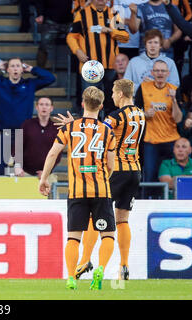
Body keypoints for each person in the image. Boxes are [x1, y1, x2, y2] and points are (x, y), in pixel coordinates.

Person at [55, 79, 145, 281]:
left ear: (121, 94)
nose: (112, 95)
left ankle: (85, 260)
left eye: (114, 92)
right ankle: (124, 265)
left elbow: (97, 132)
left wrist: (73, 126)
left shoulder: (115, 117)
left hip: (116, 171)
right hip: (135, 171)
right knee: (122, 220)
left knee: (94, 217)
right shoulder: (140, 114)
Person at [39, 86, 117, 290]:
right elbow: (111, 165)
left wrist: (44, 179)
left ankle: (71, 277)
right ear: (101, 106)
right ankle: (100, 268)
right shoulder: (107, 131)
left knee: (74, 237)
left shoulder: (69, 128)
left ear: (82, 103)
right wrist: (103, 179)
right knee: (107, 234)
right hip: (101, 191)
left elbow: (52, 154)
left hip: (76, 192)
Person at [66, 0, 129, 102]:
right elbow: (71, 37)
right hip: (90, 65)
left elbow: (125, 37)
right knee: (91, 101)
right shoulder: (82, 14)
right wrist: (77, 51)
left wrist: (110, 30)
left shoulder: (113, 14)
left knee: (112, 100)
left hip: (111, 65)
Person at [0, 57, 55, 132]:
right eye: (12, 66)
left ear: (22, 69)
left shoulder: (30, 84)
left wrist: (32, 69)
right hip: (2, 132)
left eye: (18, 66)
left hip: (23, 132)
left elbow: (50, 78)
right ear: (7, 69)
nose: (15, 68)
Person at [135, 60, 183, 186]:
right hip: (151, 140)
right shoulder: (144, 88)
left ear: (168, 73)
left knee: (173, 174)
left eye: (163, 71)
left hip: (171, 139)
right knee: (150, 175)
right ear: (152, 73)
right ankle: (147, 202)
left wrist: (174, 101)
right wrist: (145, 114)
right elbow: (135, 112)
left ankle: (173, 203)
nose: (160, 73)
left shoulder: (174, 90)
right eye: (157, 70)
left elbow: (178, 119)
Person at [15, 97, 61, 178]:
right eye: (41, 104)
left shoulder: (56, 129)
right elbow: (18, 146)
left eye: (47, 105)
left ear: (51, 108)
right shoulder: (26, 125)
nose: (44, 107)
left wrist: (47, 171)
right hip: (25, 173)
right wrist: (17, 166)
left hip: (47, 174)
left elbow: (58, 153)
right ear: (36, 107)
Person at [124, 29, 179, 95]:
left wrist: (156, 85)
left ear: (160, 45)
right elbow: (125, 86)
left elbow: (175, 85)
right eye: (150, 42)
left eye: (156, 42)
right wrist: (143, 86)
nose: (152, 46)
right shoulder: (133, 62)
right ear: (145, 45)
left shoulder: (170, 63)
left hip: (162, 101)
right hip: (139, 101)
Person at [34, 0, 72, 68]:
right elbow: (39, 2)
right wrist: (40, 14)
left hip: (71, 21)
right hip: (51, 21)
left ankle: (79, 75)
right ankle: (40, 73)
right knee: (44, 45)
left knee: (80, 41)